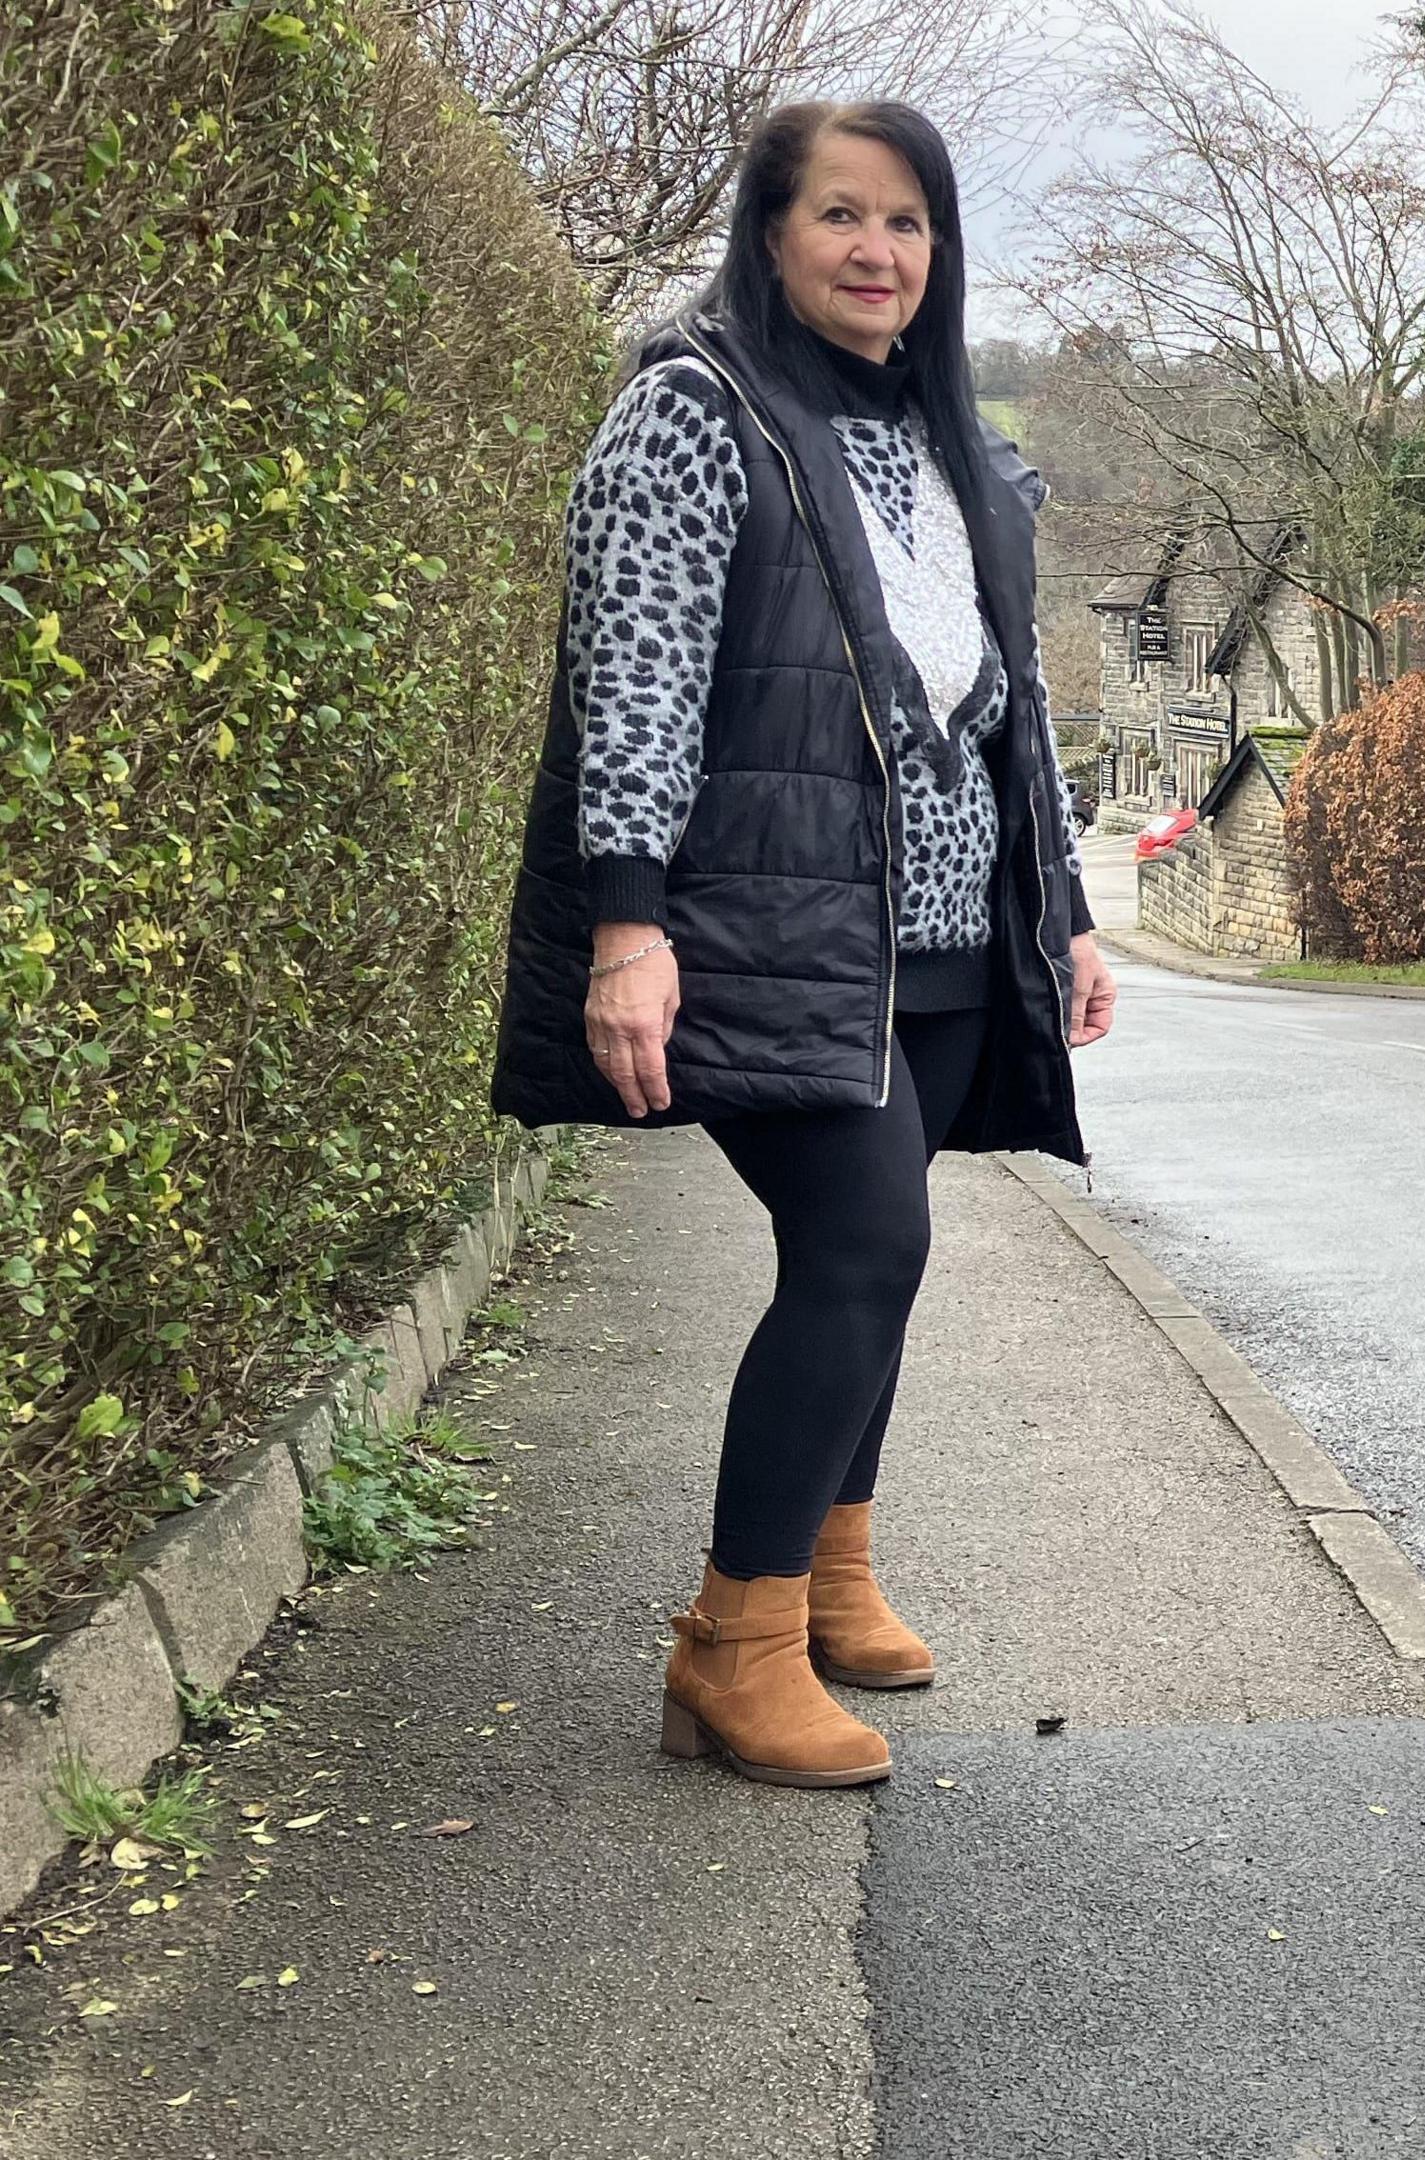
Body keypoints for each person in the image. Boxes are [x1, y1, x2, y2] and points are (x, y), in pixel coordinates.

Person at [489, 100, 1117, 1788]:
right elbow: (632, 677)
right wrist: (628, 925)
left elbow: (1019, 708)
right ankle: (732, 1641)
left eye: (907, 224)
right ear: (771, 233)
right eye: (841, 215)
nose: (876, 252)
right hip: (767, 924)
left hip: (941, 932)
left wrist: (1057, 912)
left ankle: (832, 1575)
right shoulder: (693, 413)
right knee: (863, 1247)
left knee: (880, 1261)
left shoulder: (954, 446)